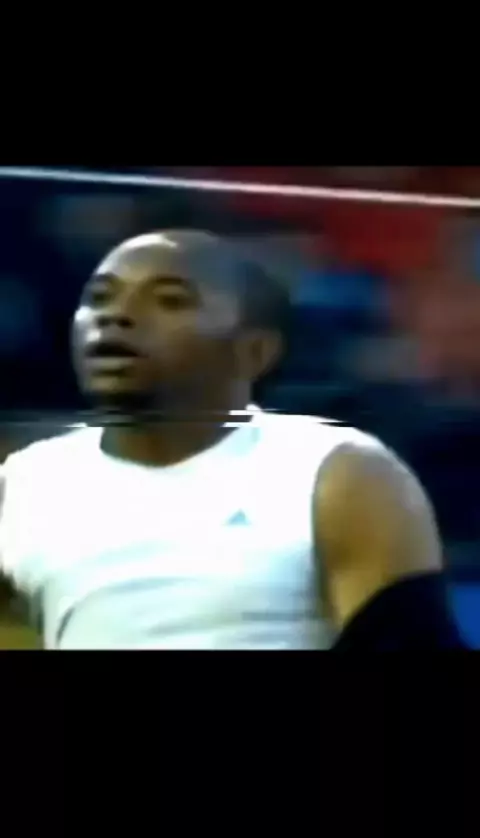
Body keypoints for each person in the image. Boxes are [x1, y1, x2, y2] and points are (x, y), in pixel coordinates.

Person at [0, 231, 466, 649]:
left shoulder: (336, 473)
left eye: (169, 301)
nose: (116, 317)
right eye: (100, 298)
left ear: (253, 351)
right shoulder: (23, 484)